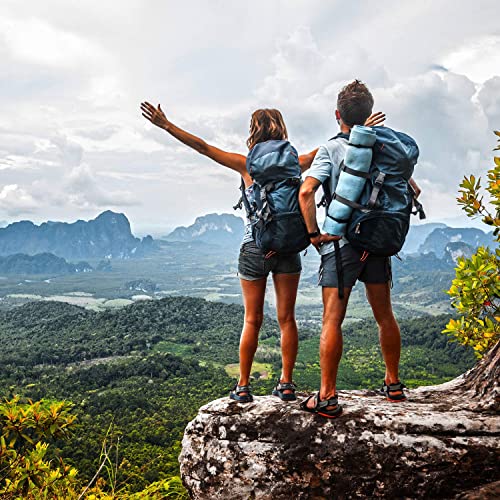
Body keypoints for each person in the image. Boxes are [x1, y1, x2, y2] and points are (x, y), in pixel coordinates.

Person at [140, 101, 385, 403]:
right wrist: (362, 129)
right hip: (289, 249)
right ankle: (286, 384)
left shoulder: (247, 165)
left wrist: (166, 125)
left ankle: (242, 387)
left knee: (252, 319)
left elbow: (203, 147)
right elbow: (338, 150)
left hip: (255, 248)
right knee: (287, 319)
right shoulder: (298, 162)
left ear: (253, 132)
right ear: (282, 130)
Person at [298, 80, 421, 418]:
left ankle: (327, 396)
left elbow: (306, 192)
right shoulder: (385, 148)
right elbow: (416, 191)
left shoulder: (332, 149)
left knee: (331, 319)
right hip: (380, 241)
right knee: (385, 315)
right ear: (370, 114)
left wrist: (313, 234)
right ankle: (394, 384)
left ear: (337, 114)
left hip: (343, 245)